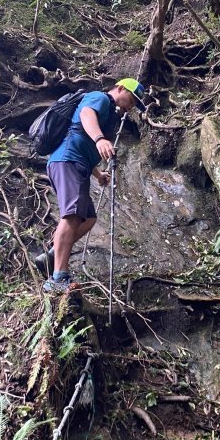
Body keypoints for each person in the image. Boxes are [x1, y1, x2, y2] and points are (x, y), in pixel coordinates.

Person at [42, 78, 146, 293]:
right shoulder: (100, 98)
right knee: (72, 216)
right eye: (132, 99)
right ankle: (57, 279)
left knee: (88, 218)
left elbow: (85, 144)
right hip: (68, 160)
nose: (132, 105)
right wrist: (100, 139)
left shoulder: (110, 114)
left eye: (136, 104)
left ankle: (53, 255)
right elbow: (85, 115)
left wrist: (98, 174)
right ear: (120, 88)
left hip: (77, 163)